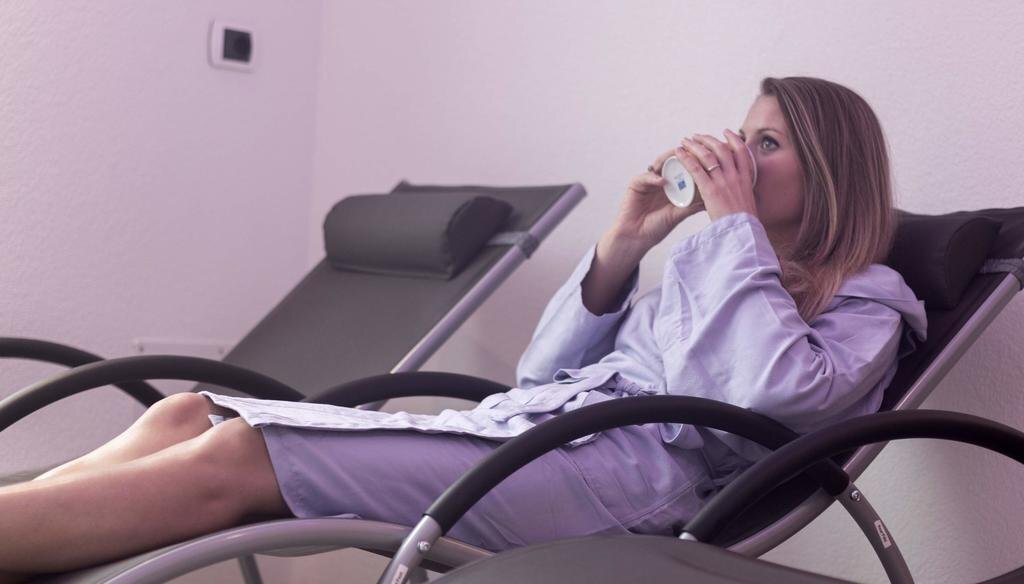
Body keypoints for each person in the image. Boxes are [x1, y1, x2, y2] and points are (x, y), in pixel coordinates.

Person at [0, 76, 927, 580]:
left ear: (830, 170)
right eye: (740, 132)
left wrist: (730, 233)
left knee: (241, 456)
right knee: (188, 412)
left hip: (623, 481)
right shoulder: (705, 264)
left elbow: (771, 395)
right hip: (541, 437)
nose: (736, 155)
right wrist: (624, 242)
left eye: (765, 142)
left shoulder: (868, 303)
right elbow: (540, 373)